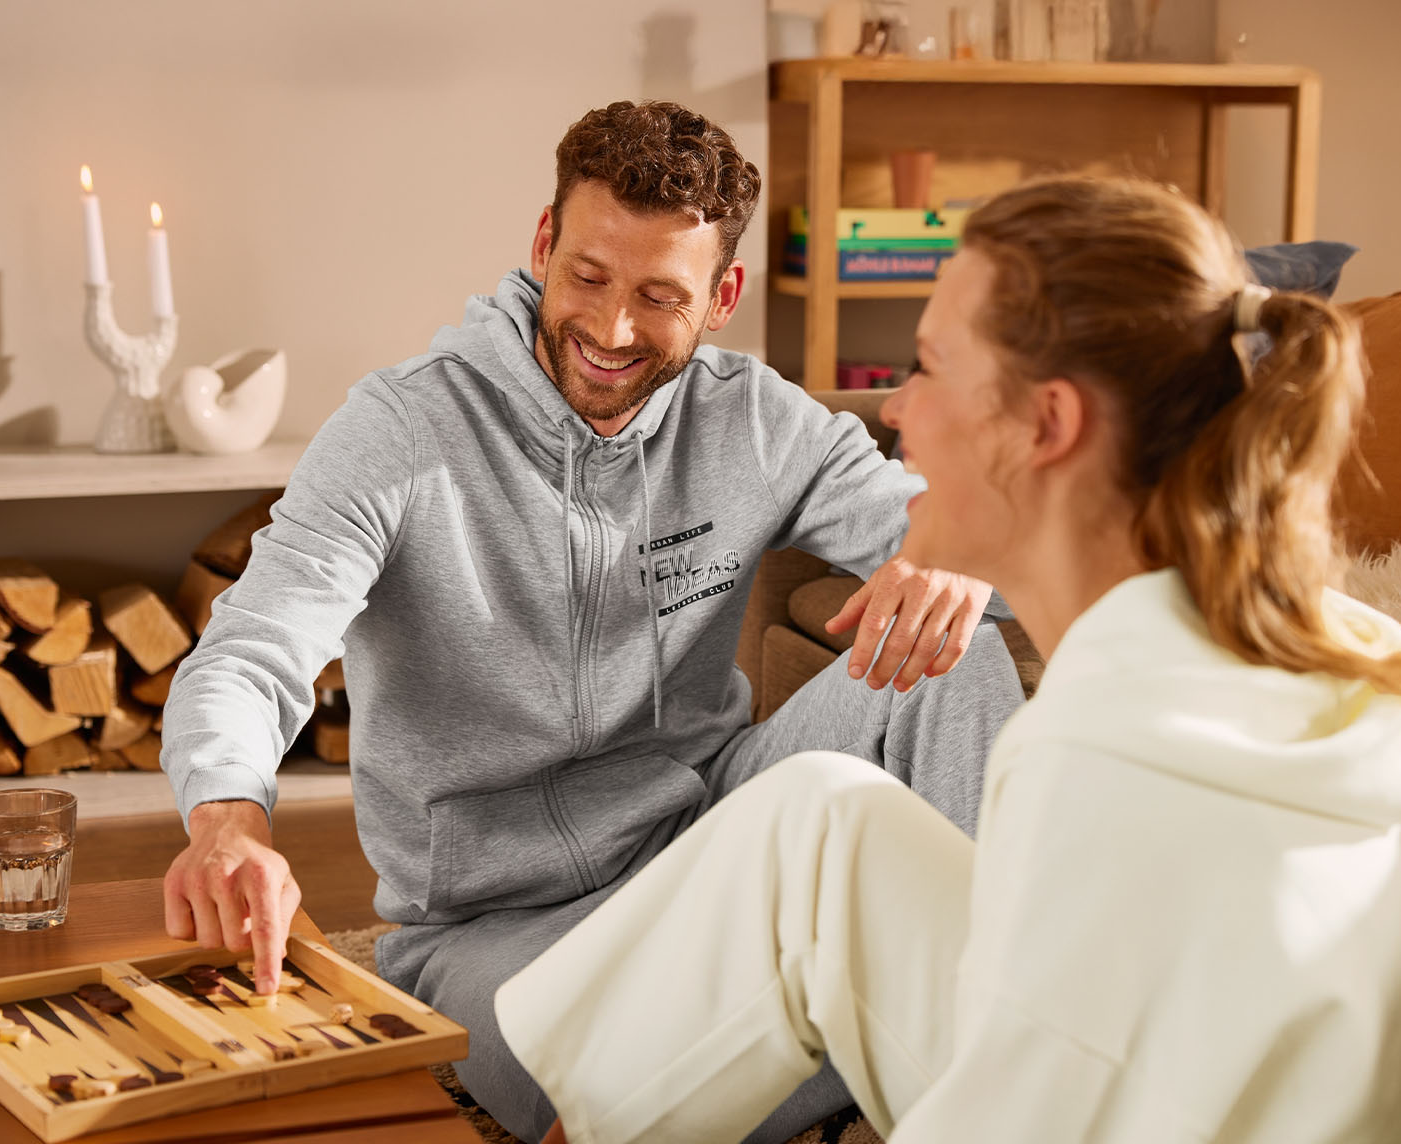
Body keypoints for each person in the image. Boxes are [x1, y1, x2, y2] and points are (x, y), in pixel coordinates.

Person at [494, 177, 1401, 1144]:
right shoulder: (1235, 662)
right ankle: (574, 1114)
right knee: (819, 820)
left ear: (1047, 424)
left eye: (931, 366)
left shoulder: (1104, 756)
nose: (895, 409)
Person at [157, 101, 1027, 1144]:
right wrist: (226, 820)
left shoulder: (753, 417)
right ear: (542, 243)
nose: (612, 330)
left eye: (661, 296)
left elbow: (994, 534)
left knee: (956, 648)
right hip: (495, 928)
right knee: (592, 1095)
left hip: (707, 831)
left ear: (722, 297)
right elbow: (251, 652)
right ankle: (930, 1041)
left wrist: (962, 557)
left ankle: (997, 1016)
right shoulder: (399, 430)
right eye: (588, 278)